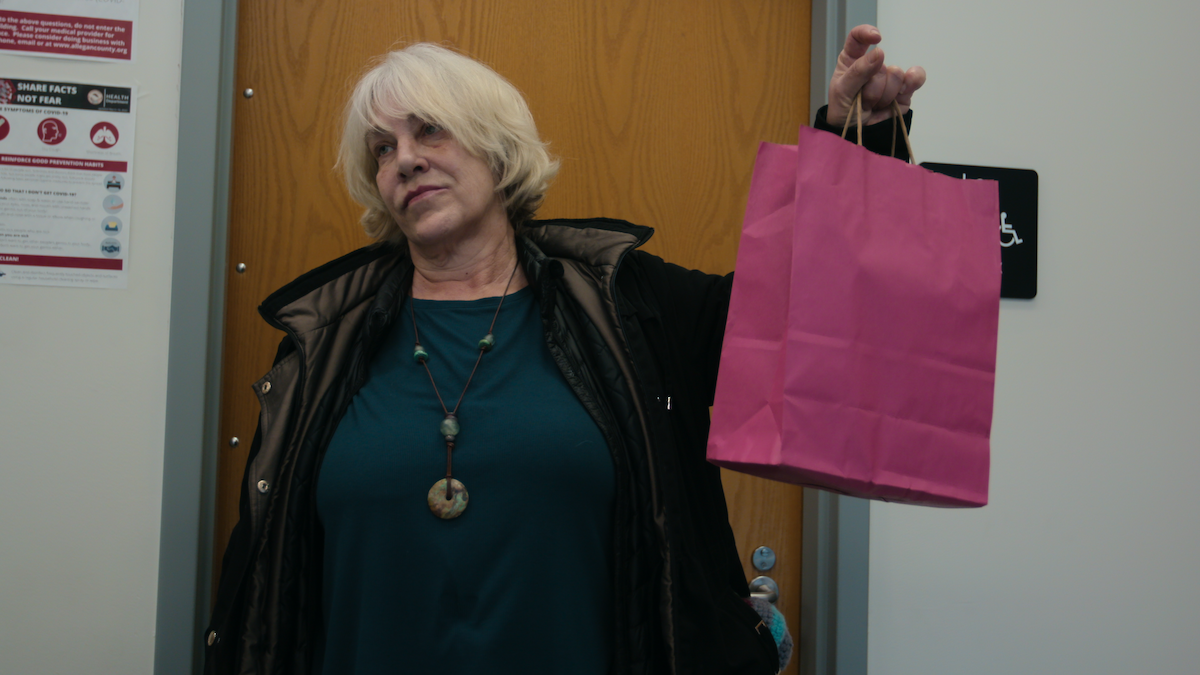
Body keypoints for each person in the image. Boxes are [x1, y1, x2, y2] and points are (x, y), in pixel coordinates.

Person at [205, 25, 925, 675]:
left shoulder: (628, 300)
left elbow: (806, 319)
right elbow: (274, 581)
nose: (405, 160)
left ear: (494, 143)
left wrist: (860, 142)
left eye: (431, 131)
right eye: (382, 149)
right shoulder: (323, 337)